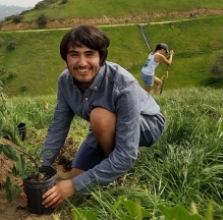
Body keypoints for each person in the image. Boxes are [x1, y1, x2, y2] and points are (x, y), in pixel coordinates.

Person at [27, 25, 166, 209]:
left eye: (90, 54)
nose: (82, 62)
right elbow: (58, 127)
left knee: (100, 119)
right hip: (103, 124)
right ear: (66, 58)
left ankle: (119, 174)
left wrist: (73, 185)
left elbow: (125, 154)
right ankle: (112, 162)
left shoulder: (123, 83)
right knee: (77, 177)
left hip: (147, 122)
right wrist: (37, 171)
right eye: (74, 54)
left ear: (101, 57)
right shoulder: (65, 81)